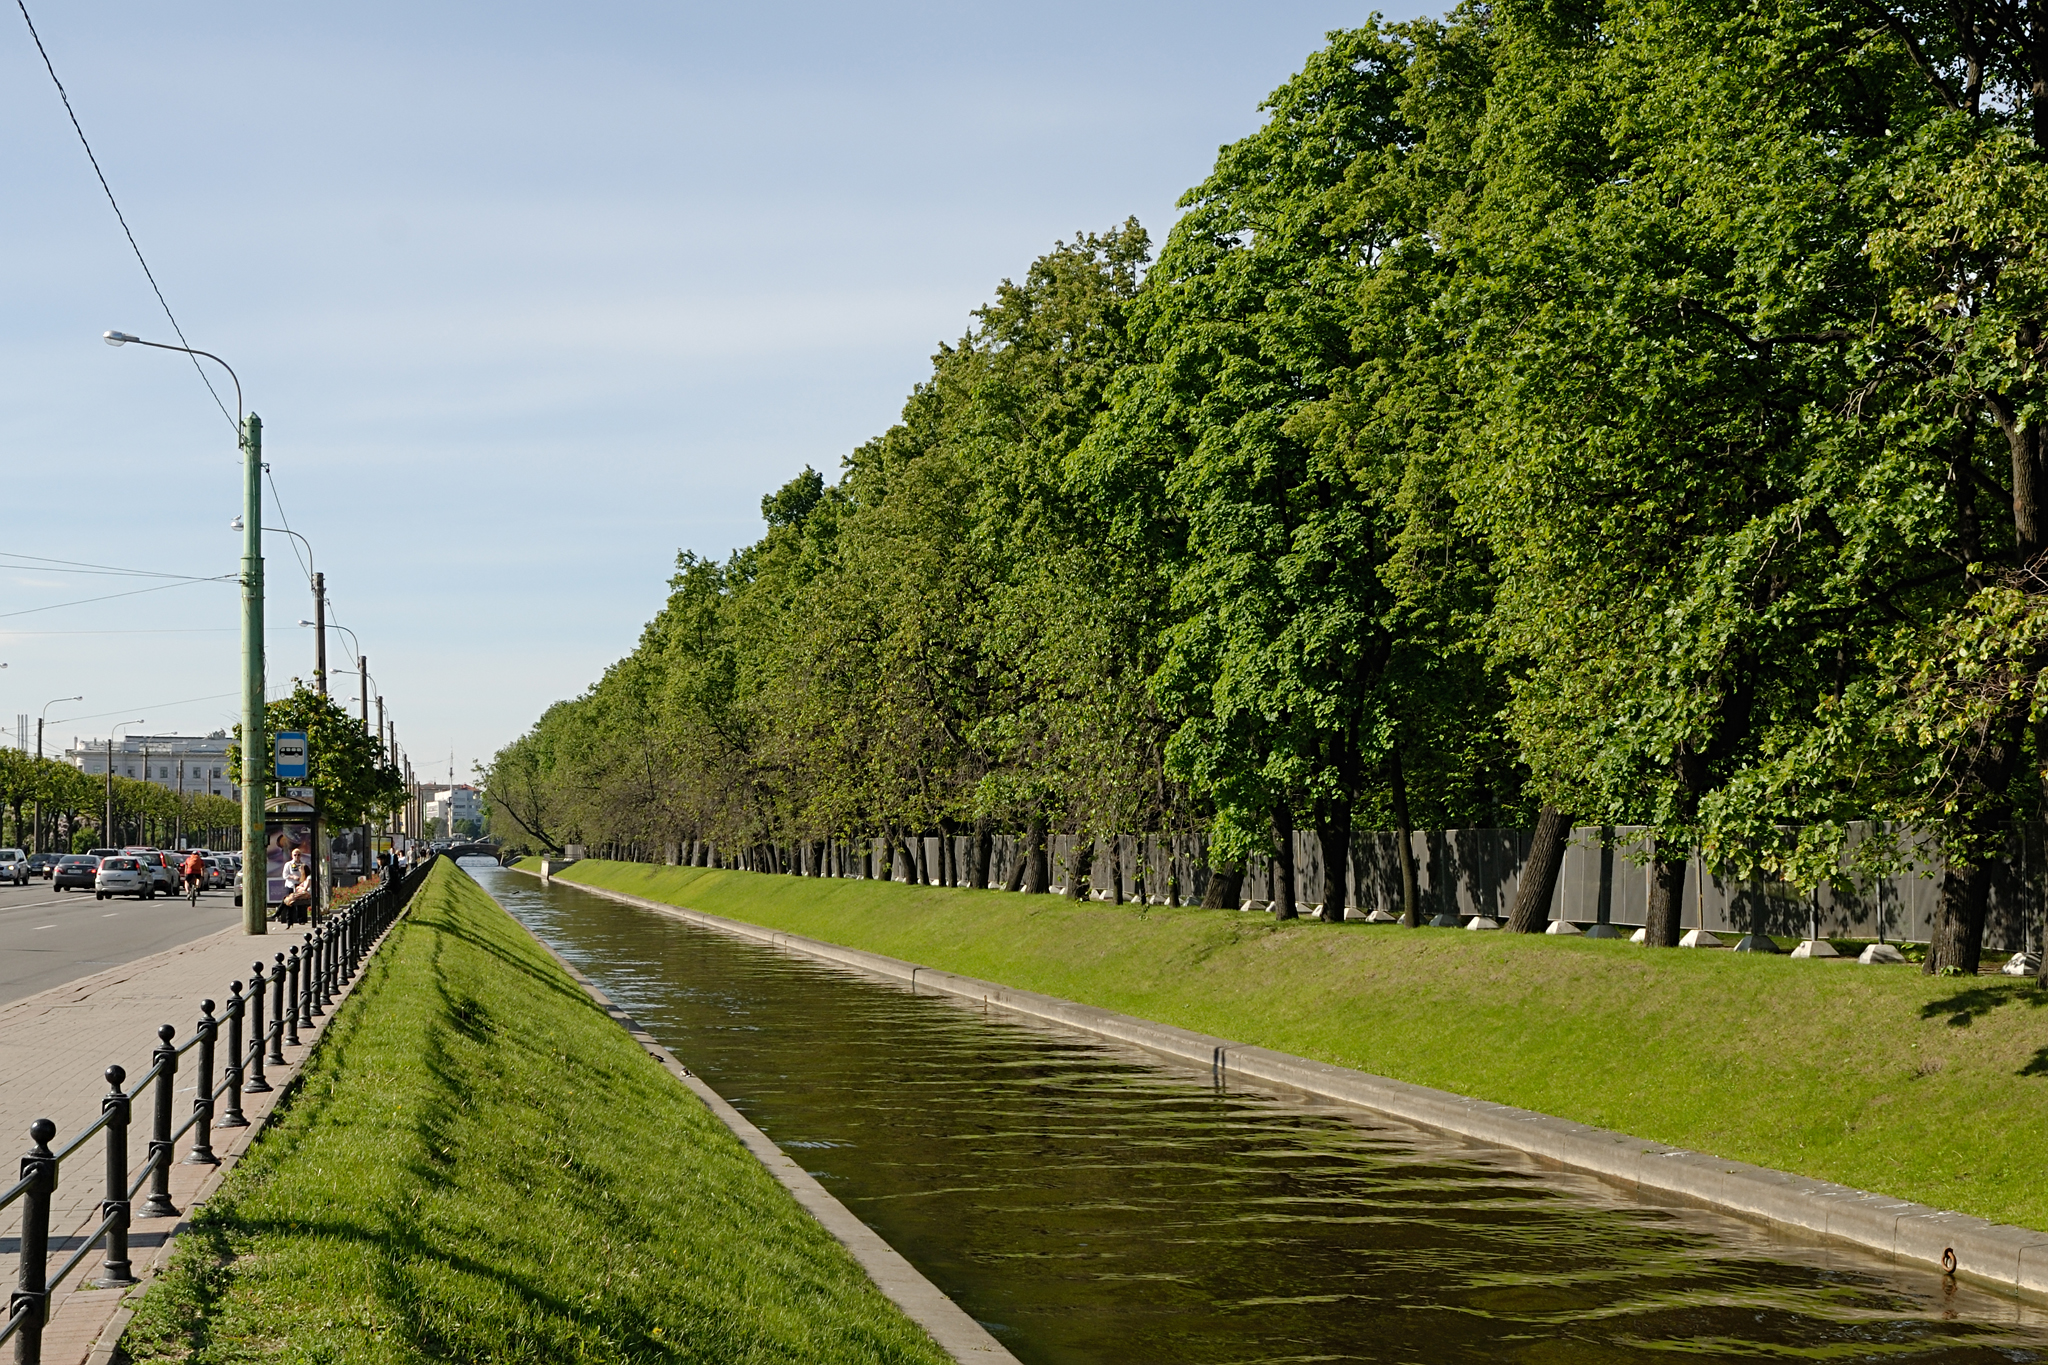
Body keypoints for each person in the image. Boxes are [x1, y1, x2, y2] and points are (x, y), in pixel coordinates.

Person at [281, 845, 313, 925]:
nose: (297, 856)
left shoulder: (302, 865)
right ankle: (289, 920)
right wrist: (292, 877)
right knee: (289, 902)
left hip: (300, 886)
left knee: (300, 903)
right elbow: (285, 875)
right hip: (290, 885)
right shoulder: (288, 864)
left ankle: (301, 920)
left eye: (298, 855)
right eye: (295, 855)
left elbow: (306, 875)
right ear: (292, 856)